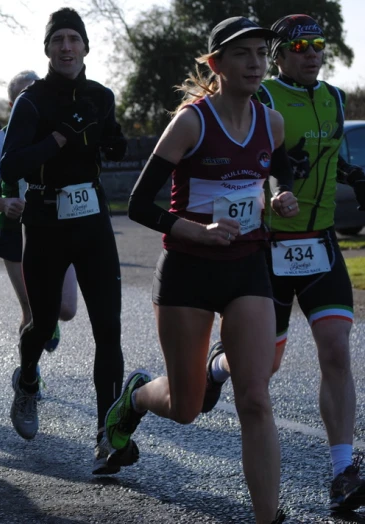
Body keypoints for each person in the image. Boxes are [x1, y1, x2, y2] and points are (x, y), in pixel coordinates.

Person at [107, 17, 298, 524]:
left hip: (246, 268)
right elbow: (139, 203)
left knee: (255, 397)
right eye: (242, 54)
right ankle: (138, 396)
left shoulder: (271, 121)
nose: (256, 62)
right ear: (216, 65)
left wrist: (279, 191)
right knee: (187, 407)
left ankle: (268, 517)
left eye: (261, 52)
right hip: (188, 271)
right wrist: (194, 229)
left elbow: (277, 163)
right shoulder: (192, 122)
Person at [203, 14, 365, 512]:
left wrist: (353, 175)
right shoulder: (265, 97)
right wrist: (276, 191)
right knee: (263, 365)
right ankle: (218, 367)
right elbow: (262, 159)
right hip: (267, 247)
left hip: (319, 243)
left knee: (336, 350)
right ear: (280, 56)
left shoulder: (335, 98)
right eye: (300, 46)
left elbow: (326, 154)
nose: (312, 52)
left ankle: (343, 470)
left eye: (318, 44)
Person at [0, 8, 129, 477]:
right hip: (47, 221)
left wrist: (114, 143)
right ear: (49, 49)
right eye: (59, 40)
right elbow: (10, 165)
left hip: (92, 219)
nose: (68, 47)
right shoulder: (31, 102)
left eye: (75, 39)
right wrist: (57, 138)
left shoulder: (101, 96)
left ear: (86, 48)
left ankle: (106, 435)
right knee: (42, 322)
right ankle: (29, 378)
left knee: (108, 328)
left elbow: (111, 144)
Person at [0, 69, 77, 354]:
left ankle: (48, 319)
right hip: (15, 235)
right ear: (12, 106)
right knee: (34, 313)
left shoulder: (62, 135)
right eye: (24, 96)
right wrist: (4, 204)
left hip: (58, 227)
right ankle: (29, 376)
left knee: (66, 310)